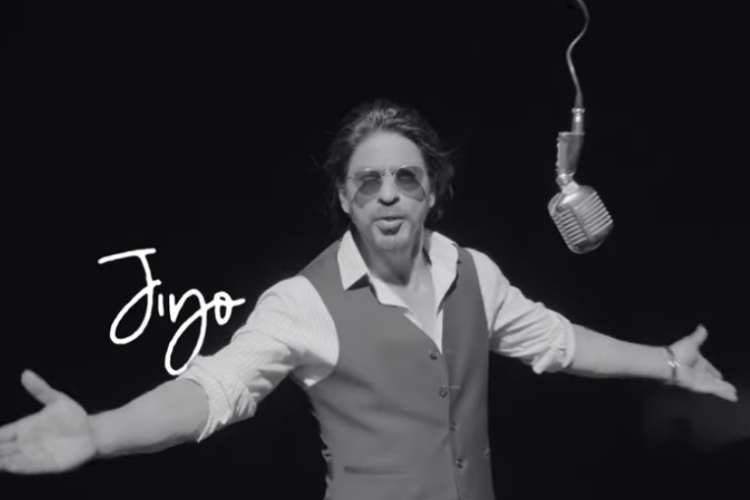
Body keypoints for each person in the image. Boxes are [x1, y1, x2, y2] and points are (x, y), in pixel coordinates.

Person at [0, 99, 738, 500]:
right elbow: (212, 391)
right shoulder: (302, 302)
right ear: (345, 199)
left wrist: (669, 363)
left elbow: (559, 341)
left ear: (432, 193)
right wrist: (99, 432)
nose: (388, 195)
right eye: (368, 182)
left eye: (407, 178)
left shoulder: (473, 272)